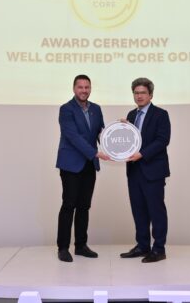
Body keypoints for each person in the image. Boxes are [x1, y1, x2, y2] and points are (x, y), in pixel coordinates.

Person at [56, 74, 110, 262]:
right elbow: (72, 136)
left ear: (90, 89)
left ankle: (80, 246)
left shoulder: (96, 109)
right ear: (74, 89)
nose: (84, 90)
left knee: (84, 206)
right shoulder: (66, 109)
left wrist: (120, 133)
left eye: (87, 87)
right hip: (71, 164)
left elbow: (102, 134)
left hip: (89, 164)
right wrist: (95, 153)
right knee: (68, 205)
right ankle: (63, 248)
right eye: (80, 87)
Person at [120, 77, 171, 263]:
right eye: (136, 93)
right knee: (138, 210)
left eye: (143, 93)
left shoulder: (161, 114)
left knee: (156, 211)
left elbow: (162, 140)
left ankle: (159, 249)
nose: (139, 96)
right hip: (134, 171)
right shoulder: (131, 115)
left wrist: (142, 154)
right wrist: (120, 130)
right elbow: (129, 140)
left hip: (153, 171)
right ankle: (142, 246)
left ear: (150, 95)